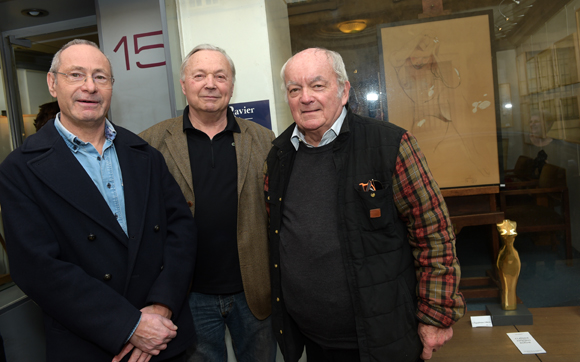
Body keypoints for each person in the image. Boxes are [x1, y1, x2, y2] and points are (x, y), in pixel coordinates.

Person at [0, 39, 197, 362]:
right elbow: (38, 268)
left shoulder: (145, 155)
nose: (90, 87)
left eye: (100, 77)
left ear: (111, 86)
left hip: (164, 336)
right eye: (75, 75)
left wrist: (160, 308)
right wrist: (130, 325)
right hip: (89, 344)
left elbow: (181, 232)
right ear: (53, 84)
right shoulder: (19, 169)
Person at [264, 48, 465, 362]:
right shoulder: (278, 155)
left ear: (343, 91)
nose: (306, 98)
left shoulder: (391, 145)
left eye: (318, 86)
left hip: (383, 340)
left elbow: (434, 234)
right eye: (294, 89)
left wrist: (437, 315)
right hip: (312, 341)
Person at [139, 44, 276, 362]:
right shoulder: (151, 143)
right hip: (189, 295)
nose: (211, 84)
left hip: (254, 294)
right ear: (184, 85)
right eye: (199, 75)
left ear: (232, 85)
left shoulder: (265, 140)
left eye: (220, 76)